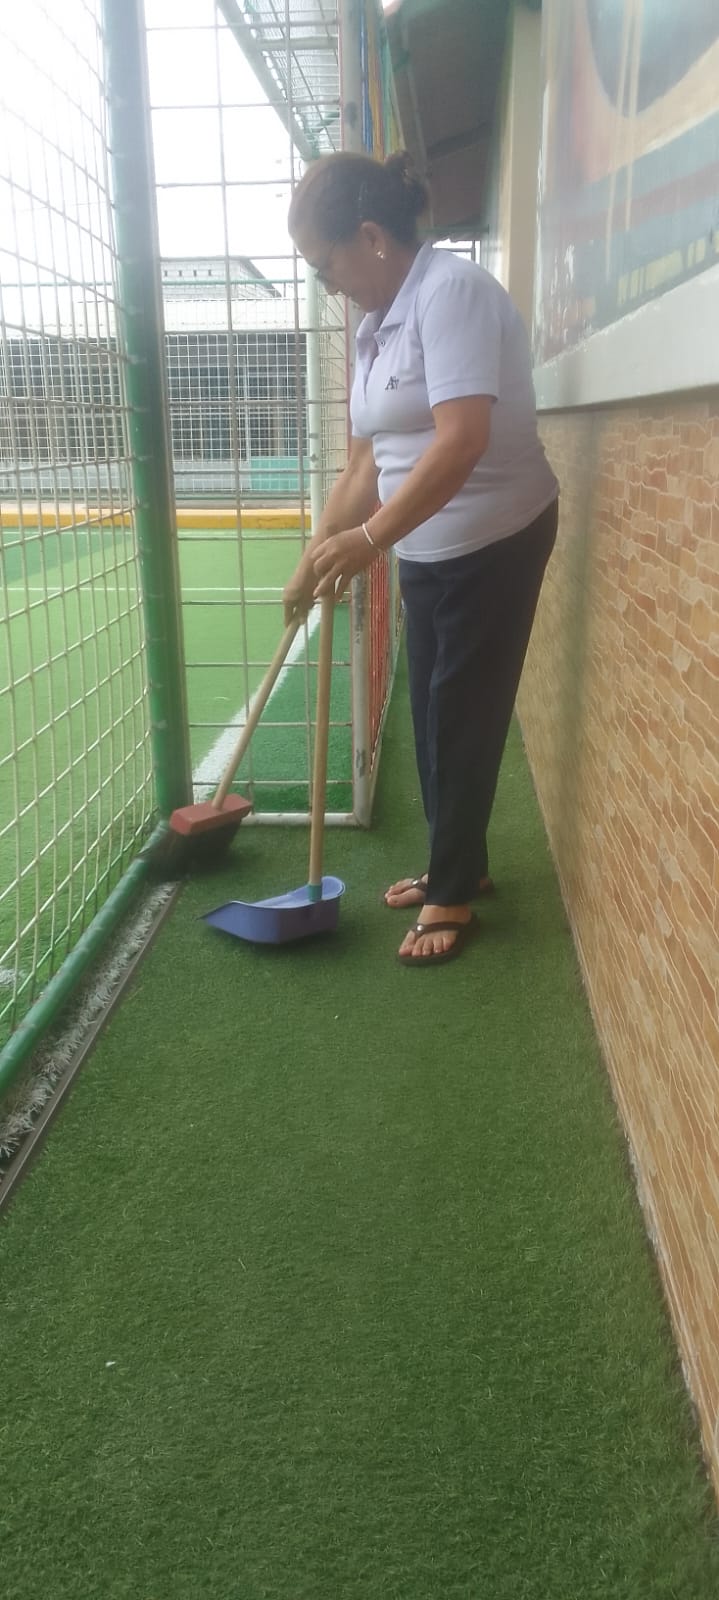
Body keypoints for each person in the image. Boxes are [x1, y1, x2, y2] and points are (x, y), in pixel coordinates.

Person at [284, 150, 559, 967]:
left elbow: (462, 440)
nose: (327, 284)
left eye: (324, 264)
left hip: (497, 535)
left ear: (371, 237)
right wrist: (312, 560)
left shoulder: (452, 294)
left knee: (462, 712)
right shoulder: (375, 326)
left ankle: (453, 890)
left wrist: (368, 540)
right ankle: (454, 865)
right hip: (427, 543)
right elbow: (364, 466)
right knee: (433, 717)